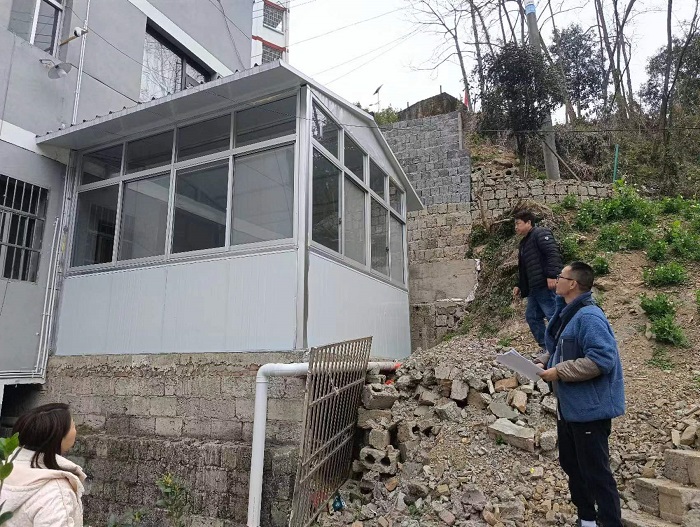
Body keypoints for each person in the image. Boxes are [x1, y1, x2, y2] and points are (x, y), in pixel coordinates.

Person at [537, 262, 625, 527]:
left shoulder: (589, 317)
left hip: (589, 411)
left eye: (561, 276)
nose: (556, 280)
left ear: (573, 284)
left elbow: (602, 359)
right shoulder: (569, 314)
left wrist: (559, 371)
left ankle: (610, 522)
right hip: (570, 409)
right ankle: (587, 520)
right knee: (573, 466)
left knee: (596, 473)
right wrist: (545, 361)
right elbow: (564, 349)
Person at [1, 403, 86, 527]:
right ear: (58, 437)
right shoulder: (56, 492)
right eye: (73, 425)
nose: (76, 430)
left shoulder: (4, 471)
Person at [512, 210, 563, 350]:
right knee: (532, 317)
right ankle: (547, 347)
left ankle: (563, 347)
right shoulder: (524, 242)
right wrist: (519, 284)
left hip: (545, 285)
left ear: (528, 222)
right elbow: (525, 268)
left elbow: (552, 253)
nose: (516, 227)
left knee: (553, 315)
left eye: (518, 223)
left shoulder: (540, 233)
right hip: (534, 288)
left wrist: (552, 275)